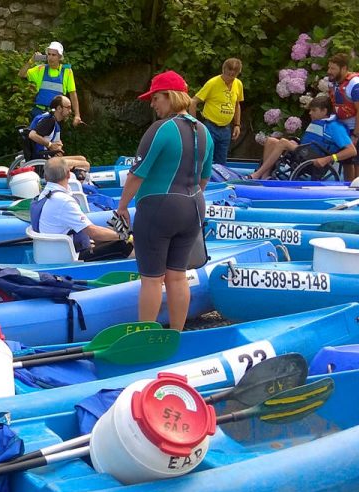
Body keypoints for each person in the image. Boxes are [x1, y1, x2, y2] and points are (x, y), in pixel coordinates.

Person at [115, 71, 213, 329]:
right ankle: (176, 335)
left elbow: (137, 173)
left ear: (170, 97)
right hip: (193, 207)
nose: (152, 103)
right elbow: (204, 178)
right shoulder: (203, 131)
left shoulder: (161, 129)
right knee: (178, 276)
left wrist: (122, 205)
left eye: (156, 98)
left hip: (159, 208)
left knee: (151, 279)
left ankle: (146, 336)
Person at [30, 157, 131, 261]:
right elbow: (93, 232)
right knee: (126, 244)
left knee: (113, 231)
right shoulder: (64, 201)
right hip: (71, 257)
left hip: (53, 252)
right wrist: (126, 236)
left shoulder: (44, 195)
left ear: (46, 177)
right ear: (69, 174)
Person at [247, 95, 356, 180]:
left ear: (324, 111)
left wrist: (328, 159)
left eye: (314, 110)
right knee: (271, 141)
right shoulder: (317, 122)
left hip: (313, 157)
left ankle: (257, 174)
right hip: (304, 151)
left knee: (283, 142)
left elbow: (351, 151)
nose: (310, 113)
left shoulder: (335, 127)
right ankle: (264, 177)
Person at [328, 52, 359, 180]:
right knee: (346, 162)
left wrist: (356, 135)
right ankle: (347, 188)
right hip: (344, 125)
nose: (329, 71)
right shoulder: (333, 83)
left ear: (343, 69)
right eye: (329, 68)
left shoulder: (356, 85)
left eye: (333, 68)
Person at [191, 58, 244, 166]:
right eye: (228, 73)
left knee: (222, 162)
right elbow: (193, 102)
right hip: (210, 126)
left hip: (226, 128)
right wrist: (193, 122)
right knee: (205, 158)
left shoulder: (238, 84)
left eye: (234, 74)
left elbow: (237, 104)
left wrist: (237, 124)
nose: (230, 76)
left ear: (237, 73)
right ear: (223, 70)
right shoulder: (213, 83)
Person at [20, 41, 84, 126]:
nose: (50, 57)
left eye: (54, 55)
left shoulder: (67, 71)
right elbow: (21, 74)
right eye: (49, 54)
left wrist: (77, 115)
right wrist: (31, 61)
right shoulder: (41, 69)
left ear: (60, 57)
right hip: (39, 113)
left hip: (57, 115)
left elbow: (73, 94)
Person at [26, 95, 91, 173]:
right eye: (68, 107)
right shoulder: (49, 120)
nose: (70, 111)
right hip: (44, 161)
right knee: (85, 165)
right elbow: (32, 135)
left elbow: (55, 143)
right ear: (59, 108)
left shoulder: (52, 119)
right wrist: (50, 145)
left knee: (82, 158)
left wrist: (58, 147)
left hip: (48, 156)